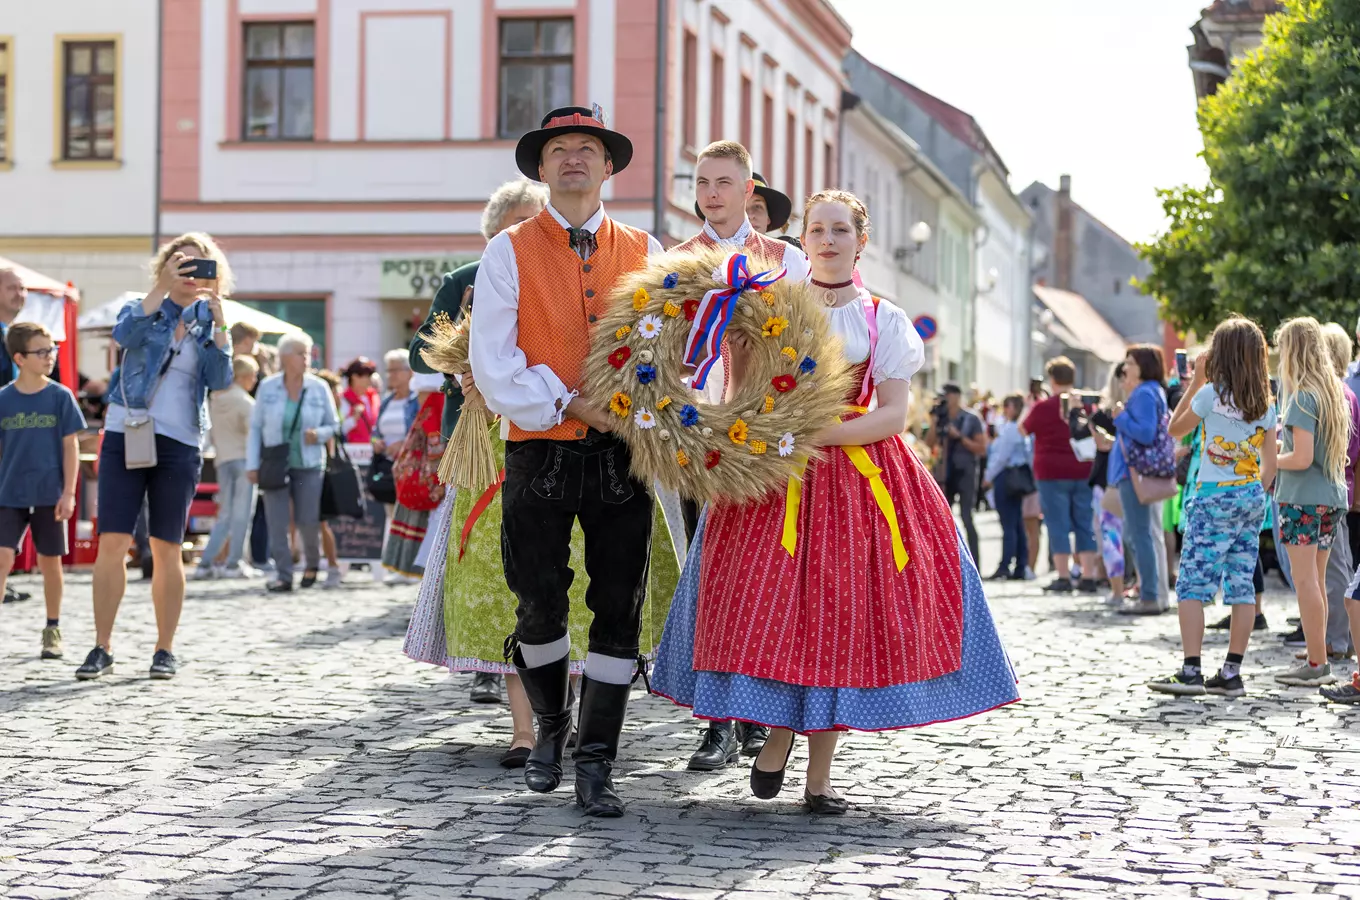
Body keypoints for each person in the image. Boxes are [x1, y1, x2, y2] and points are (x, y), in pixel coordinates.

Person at [652, 190, 1018, 815]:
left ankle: (818, 777)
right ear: (804, 241)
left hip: (860, 481)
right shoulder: (772, 309)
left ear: (860, 241)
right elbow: (743, 392)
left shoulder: (884, 319)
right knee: (768, 610)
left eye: (840, 229)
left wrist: (817, 432)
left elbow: (895, 414)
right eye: (816, 229)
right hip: (775, 481)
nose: (826, 239)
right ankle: (779, 734)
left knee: (840, 620)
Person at [468, 104, 666, 818]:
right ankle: (552, 724)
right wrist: (574, 403)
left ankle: (597, 762)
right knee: (538, 606)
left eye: (588, 148)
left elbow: (661, 353)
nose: (574, 158)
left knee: (620, 609)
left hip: (622, 457)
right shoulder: (509, 250)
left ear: (609, 165)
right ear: (542, 168)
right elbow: (494, 364)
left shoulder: (646, 248)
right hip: (539, 456)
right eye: (560, 150)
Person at [669, 139, 809, 770]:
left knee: (766, 576)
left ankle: (760, 714)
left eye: (724, 182)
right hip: (702, 440)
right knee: (710, 574)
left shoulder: (785, 261)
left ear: (750, 188)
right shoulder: (676, 259)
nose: (712, 194)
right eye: (702, 182)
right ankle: (716, 721)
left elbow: (811, 349)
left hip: (768, 439)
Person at [407, 178, 550, 708]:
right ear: (491, 233)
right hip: (473, 436)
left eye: (528, 222)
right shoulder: (463, 280)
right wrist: (462, 364)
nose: (519, 233)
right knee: (475, 555)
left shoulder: (550, 277)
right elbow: (420, 348)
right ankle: (483, 662)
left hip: (540, 432)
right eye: (510, 224)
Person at [76, 233, 235, 681]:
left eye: (202, 268)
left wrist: (221, 327)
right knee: (112, 541)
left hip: (181, 441)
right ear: (166, 268)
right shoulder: (142, 306)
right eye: (182, 265)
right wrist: (160, 290)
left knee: (167, 547)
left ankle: (164, 648)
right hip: (127, 432)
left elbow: (220, 380)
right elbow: (126, 334)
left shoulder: (210, 318)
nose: (192, 275)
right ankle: (101, 646)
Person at [1147, 317, 1276, 697]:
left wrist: (1196, 382)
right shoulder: (1265, 403)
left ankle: (1191, 670)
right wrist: (1255, 492)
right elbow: (1270, 462)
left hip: (1213, 497)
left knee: (1191, 583)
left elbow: (1174, 429)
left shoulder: (1212, 395)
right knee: (1241, 584)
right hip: (1250, 496)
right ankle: (1232, 671)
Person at [0, 323, 85, 660]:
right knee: (3, 556)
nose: (50, 356)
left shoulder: (60, 396)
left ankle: (53, 628)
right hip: (8, 493)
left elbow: (71, 447)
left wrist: (69, 492)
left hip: (50, 494)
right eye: (42, 351)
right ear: (19, 358)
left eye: (52, 350)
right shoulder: (4, 399)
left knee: (51, 562)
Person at [1272, 317, 1349, 687]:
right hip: (1331, 497)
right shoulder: (1333, 391)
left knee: (1307, 583)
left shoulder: (1303, 395)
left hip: (1302, 498)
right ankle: (1319, 655)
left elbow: (1301, 458)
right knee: (1317, 581)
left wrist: (1270, 460)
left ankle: (1316, 664)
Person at [247, 333, 340, 594]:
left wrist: (319, 434)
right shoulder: (268, 387)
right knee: (276, 520)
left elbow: (334, 424)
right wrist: (252, 464)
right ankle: (284, 574)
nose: (306, 358)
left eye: (308, 353)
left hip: (309, 463)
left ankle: (312, 564)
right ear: (286, 357)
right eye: (301, 353)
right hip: (275, 462)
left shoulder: (318, 386)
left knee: (308, 519)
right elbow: (255, 428)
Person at [1022, 357, 1098, 593]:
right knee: (1084, 522)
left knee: (1058, 524)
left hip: (1051, 472)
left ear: (1052, 379)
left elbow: (1022, 429)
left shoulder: (1043, 407)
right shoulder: (1085, 405)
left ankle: (1063, 575)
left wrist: (1030, 404)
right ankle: (1088, 575)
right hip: (1083, 469)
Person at [1108, 345, 1172, 616]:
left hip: (1134, 473)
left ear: (1144, 365)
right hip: (1135, 473)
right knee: (1143, 533)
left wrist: (1120, 417)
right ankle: (1152, 594)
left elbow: (1145, 433)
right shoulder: (1152, 391)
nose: (1125, 367)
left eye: (1130, 362)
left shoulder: (1145, 393)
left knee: (1140, 534)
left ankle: (1149, 597)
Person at [1313, 323, 1359, 663]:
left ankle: (1339, 639)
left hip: (1332, 485)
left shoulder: (1338, 394)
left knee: (1335, 566)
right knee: (1334, 565)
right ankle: (1334, 637)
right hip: (1340, 485)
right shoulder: (1345, 392)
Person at [195, 355, 259, 579]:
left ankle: (206, 563)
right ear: (244, 376)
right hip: (244, 460)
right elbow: (254, 435)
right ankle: (234, 563)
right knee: (242, 514)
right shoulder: (245, 402)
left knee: (225, 514)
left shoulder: (216, 400)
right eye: (253, 375)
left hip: (222, 459)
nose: (255, 380)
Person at [379, 372, 443, 584]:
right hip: (426, 471)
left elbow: (435, 439)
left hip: (429, 474)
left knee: (434, 522)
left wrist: (437, 477)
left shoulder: (435, 402)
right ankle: (418, 569)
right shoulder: (435, 401)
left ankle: (423, 570)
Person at [1087, 363, 1127, 604]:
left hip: (1108, 481)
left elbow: (1098, 445)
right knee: (1140, 537)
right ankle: (1143, 587)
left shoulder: (1102, 416)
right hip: (1136, 478)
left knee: (1111, 537)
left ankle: (1117, 590)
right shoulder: (1138, 412)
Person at [933, 383, 987, 565]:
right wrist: (935, 422)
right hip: (944, 473)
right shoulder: (941, 417)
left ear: (956, 396)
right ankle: (946, 563)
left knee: (966, 516)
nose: (944, 400)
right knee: (942, 519)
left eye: (946, 395)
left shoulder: (972, 418)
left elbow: (981, 448)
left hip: (966, 472)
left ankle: (975, 563)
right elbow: (930, 442)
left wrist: (959, 437)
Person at [983, 393, 1031, 581]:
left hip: (1006, 476)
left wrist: (988, 477)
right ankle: (1020, 563)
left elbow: (1001, 457)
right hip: (1012, 475)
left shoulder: (1011, 429)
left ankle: (1006, 565)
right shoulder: (1016, 428)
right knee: (1016, 522)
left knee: (1009, 523)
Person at [693, 169, 793, 238]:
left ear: (768, 218)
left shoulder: (787, 261)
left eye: (758, 207)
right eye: (740, 208)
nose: (749, 215)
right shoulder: (699, 262)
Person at [338, 357, 380, 444]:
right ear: (354, 377)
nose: (370, 380)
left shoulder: (373, 397)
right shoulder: (343, 400)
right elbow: (339, 430)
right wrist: (353, 419)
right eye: (367, 376)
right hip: (352, 452)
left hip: (372, 453)